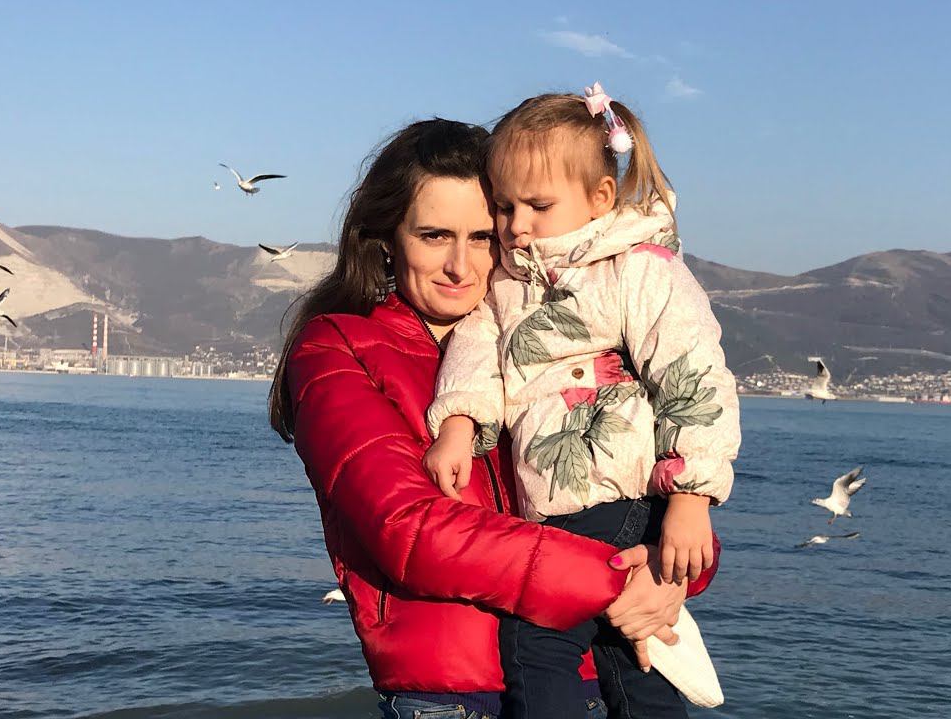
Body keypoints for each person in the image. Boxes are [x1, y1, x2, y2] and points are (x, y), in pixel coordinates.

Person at [269, 118, 719, 719]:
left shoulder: (563, 333)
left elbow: (648, 487)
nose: (460, 265)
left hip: (586, 681)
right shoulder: (336, 348)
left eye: (482, 236)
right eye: (434, 235)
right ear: (388, 238)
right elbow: (412, 533)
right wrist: (617, 579)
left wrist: (672, 571)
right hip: (452, 697)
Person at [423, 84, 741, 719]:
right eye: (505, 207)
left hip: (620, 495)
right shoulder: (508, 284)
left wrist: (690, 499)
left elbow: (693, 375)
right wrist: (458, 423)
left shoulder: (638, 269)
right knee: (634, 653)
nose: (517, 225)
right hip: (559, 505)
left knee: (535, 641)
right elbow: (477, 351)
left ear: (600, 198)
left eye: (539, 206)